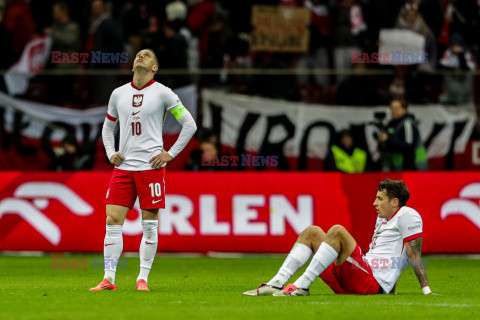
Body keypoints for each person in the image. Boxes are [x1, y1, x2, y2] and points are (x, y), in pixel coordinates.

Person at [89, 49, 197, 292]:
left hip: (151, 168)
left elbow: (189, 124)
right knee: (112, 221)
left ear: (155, 68)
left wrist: (170, 153)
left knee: (149, 224)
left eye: (147, 55)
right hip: (124, 168)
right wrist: (110, 153)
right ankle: (109, 279)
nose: (141, 56)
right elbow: (107, 129)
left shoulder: (163, 93)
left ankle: (142, 279)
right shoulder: (118, 94)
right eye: (139, 54)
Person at [243, 179, 435, 296]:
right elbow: (388, 254)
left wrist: (425, 290)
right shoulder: (383, 219)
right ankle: (276, 283)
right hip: (358, 279)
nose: (374, 203)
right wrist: (391, 289)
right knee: (312, 232)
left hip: (370, 284)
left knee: (338, 231)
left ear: (395, 202)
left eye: (379, 199)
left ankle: (301, 286)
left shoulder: (407, 214)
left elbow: (413, 255)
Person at [377, 99, 428, 171]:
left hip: (414, 167)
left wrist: (388, 139)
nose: (393, 111)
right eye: (392, 108)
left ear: (404, 110)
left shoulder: (407, 123)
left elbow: (409, 145)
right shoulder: (392, 124)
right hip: (399, 168)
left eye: (397, 108)